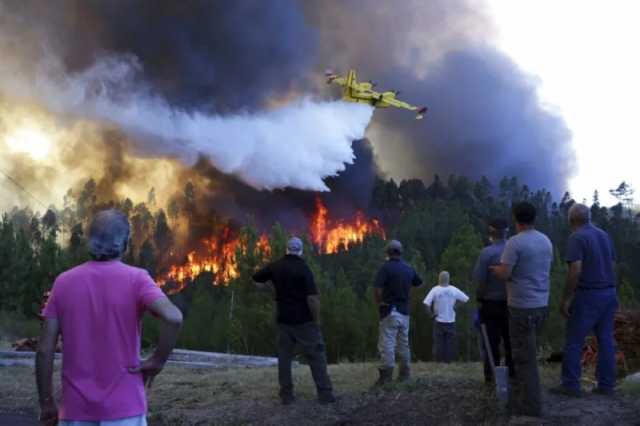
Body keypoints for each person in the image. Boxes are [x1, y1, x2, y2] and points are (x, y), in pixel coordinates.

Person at [36, 209, 183, 426]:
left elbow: (44, 350)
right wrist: (157, 361)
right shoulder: (137, 279)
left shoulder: (63, 282)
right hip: (126, 411)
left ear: (90, 242)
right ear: (125, 244)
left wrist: (46, 401)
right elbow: (173, 317)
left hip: (76, 410)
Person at [252, 237, 335, 405]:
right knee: (316, 355)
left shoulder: (276, 266)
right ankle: (325, 394)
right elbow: (312, 298)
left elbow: (255, 278)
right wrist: (316, 320)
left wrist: (271, 289)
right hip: (304, 321)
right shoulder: (304, 269)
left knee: (284, 358)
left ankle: (286, 395)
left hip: (283, 320)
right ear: (301, 251)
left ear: (287, 249)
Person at [491, 201, 553, 417]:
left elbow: (506, 274)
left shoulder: (514, 243)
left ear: (516, 219)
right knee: (529, 353)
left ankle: (531, 407)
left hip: (521, 307)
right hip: (541, 305)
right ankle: (526, 398)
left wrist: (495, 270)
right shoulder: (545, 240)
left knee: (524, 359)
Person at [551, 203, 618, 397]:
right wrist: (612, 290)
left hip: (588, 294)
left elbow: (575, 271)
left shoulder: (577, 237)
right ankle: (607, 385)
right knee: (605, 339)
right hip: (608, 292)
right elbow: (613, 265)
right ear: (588, 218)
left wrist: (565, 299)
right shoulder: (604, 235)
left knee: (574, 340)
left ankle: (571, 385)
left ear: (571, 220)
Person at [373, 240, 423, 384]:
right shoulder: (408, 268)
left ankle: (386, 377)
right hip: (404, 312)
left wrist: (379, 302)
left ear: (388, 252)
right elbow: (419, 283)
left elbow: (377, 289)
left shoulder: (385, 268)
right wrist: (407, 294)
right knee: (403, 344)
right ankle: (405, 375)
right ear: (400, 252)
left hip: (389, 310)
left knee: (387, 343)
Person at [473, 218, 514, 383]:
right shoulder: (514, 250)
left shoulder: (487, 253)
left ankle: (491, 377)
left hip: (490, 303)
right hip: (513, 303)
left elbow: (481, 280)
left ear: (491, 233)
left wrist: (479, 298)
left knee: (491, 343)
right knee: (510, 341)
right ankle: (512, 375)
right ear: (507, 232)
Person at [424, 271, 469, 363]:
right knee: (450, 343)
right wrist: (456, 306)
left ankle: (438, 362)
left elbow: (426, 304)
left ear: (439, 278)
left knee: (439, 343)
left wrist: (431, 315)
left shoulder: (435, 290)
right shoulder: (454, 290)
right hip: (451, 321)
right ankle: (449, 362)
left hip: (438, 321)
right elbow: (465, 299)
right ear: (448, 279)